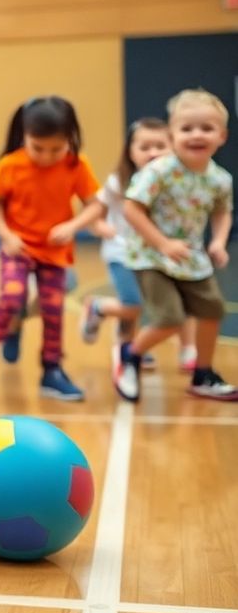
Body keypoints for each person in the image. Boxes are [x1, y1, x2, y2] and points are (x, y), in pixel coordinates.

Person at [0, 96, 104, 406]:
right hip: (18, 247)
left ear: (71, 138)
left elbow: (95, 205)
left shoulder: (76, 165)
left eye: (56, 149)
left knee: (53, 311)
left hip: (55, 252)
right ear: (24, 136)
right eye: (37, 148)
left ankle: (51, 371)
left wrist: (73, 226)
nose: (46, 156)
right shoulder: (10, 164)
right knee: (11, 298)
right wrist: (5, 234)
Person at [115, 89, 234, 401]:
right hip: (150, 255)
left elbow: (222, 211)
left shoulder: (220, 179)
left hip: (191, 257)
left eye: (206, 128)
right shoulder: (160, 170)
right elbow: (131, 208)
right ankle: (130, 355)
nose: (196, 135)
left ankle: (203, 374)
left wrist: (219, 241)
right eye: (186, 128)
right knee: (170, 319)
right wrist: (163, 243)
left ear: (222, 136)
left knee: (212, 310)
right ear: (172, 134)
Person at [81, 117, 198, 374]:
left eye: (160, 146)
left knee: (181, 298)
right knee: (133, 304)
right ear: (130, 151)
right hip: (122, 253)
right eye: (144, 147)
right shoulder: (119, 182)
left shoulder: (176, 180)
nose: (153, 153)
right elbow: (94, 211)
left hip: (160, 253)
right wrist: (100, 228)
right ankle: (98, 308)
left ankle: (186, 349)